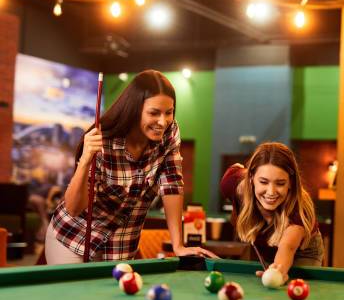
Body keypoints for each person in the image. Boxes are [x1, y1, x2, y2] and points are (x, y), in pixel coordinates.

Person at [45, 70, 215, 264]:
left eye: (169, 112)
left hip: (121, 247)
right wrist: (85, 160)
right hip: (74, 239)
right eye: (154, 113)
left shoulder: (170, 132)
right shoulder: (103, 140)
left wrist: (178, 245)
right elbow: (75, 208)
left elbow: (172, 184)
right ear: (135, 110)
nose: (163, 121)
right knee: (75, 295)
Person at [220, 142, 324, 283]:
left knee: (293, 289)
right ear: (251, 178)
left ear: (291, 183)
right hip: (265, 243)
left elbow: (288, 247)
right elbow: (236, 169)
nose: (271, 192)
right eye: (263, 182)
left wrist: (277, 270)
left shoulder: (299, 209)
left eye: (280, 183)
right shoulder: (231, 184)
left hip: (303, 251)